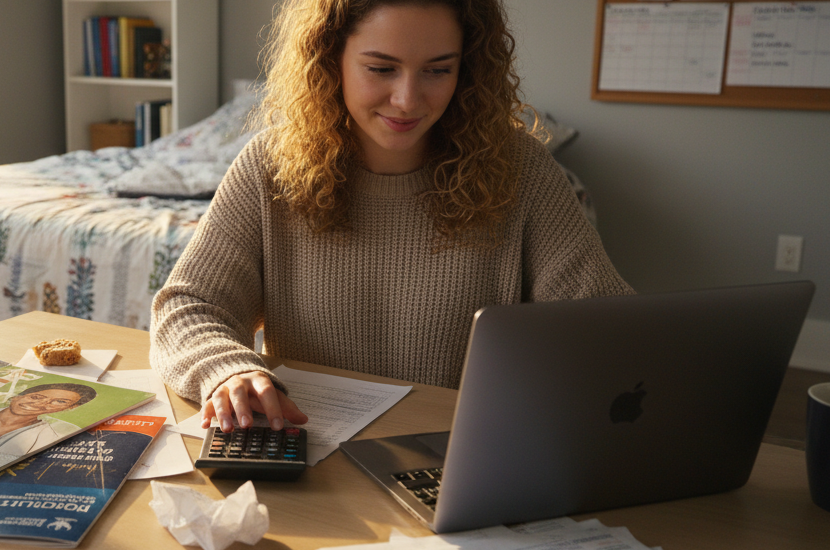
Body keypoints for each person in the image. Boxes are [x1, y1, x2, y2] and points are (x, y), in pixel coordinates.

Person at [149, 0, 632, 434]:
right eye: (381, 68)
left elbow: (608, 328)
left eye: (438, 71)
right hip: (311, 458)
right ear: (329, 58)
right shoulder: (268, 167)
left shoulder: (521, 171)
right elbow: (188, 306)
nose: (407, 99)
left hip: (456, 463)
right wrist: (229, 369)